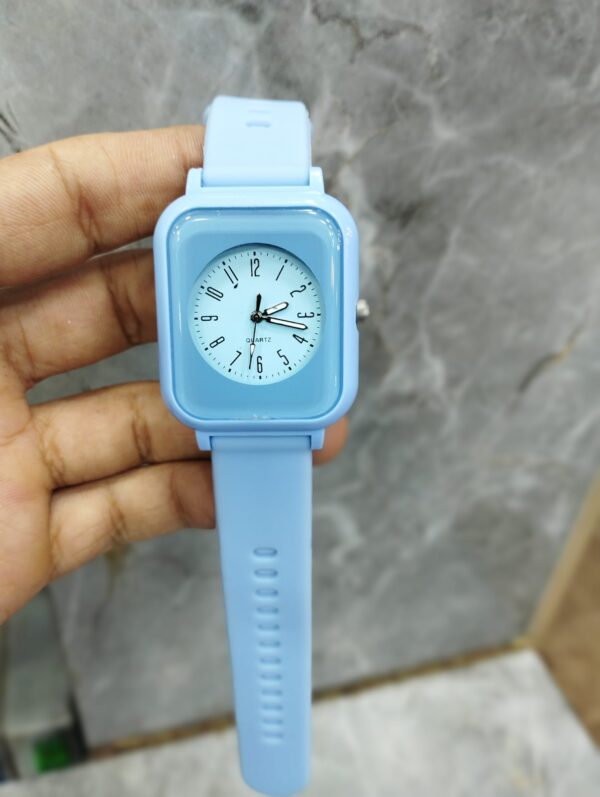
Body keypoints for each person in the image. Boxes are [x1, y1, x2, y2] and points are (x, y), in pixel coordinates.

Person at [0, 127, 347, 622]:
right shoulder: (196, 227)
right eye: (257, 315)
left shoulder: (316, 225)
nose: (256, 318)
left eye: (261, 315)